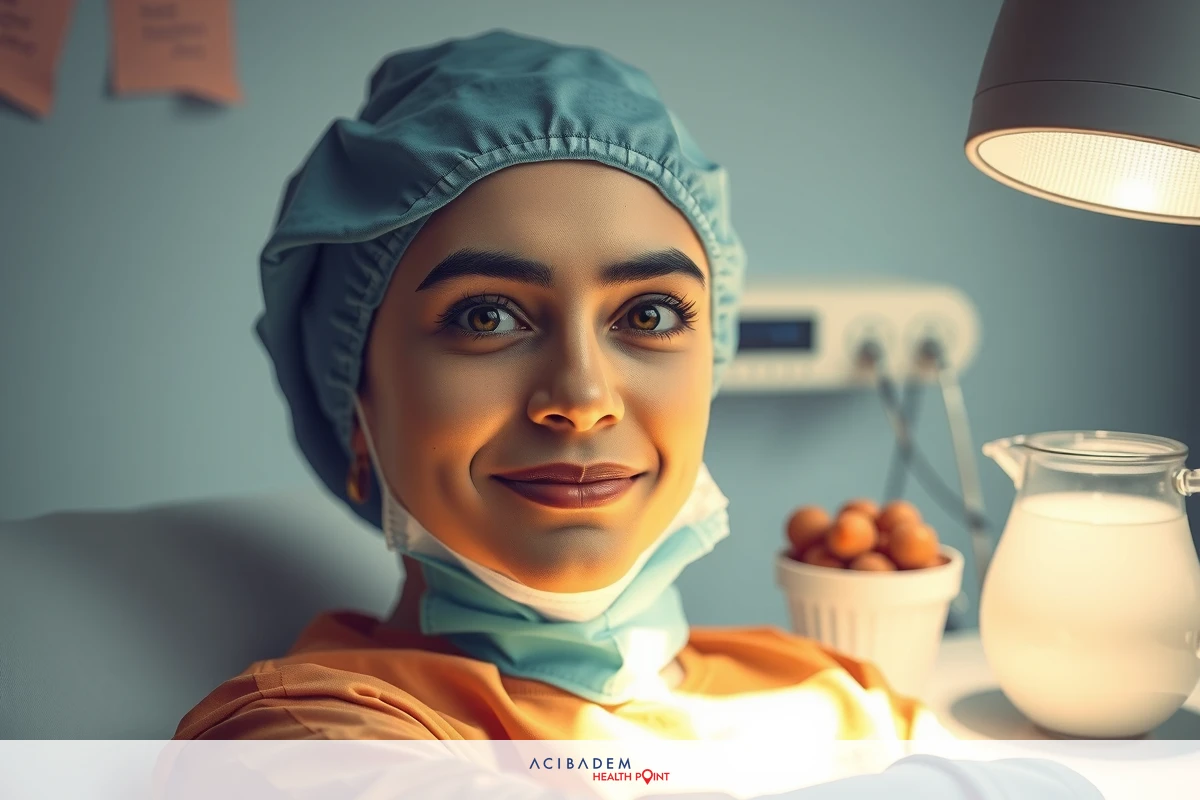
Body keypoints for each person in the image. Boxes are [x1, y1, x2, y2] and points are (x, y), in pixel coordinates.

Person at [167, 29, 1101, 800]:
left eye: (649, 315)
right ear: (355, 404)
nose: (580, 397)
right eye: (486, 316)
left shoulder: (828, 691)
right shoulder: (300, 741)